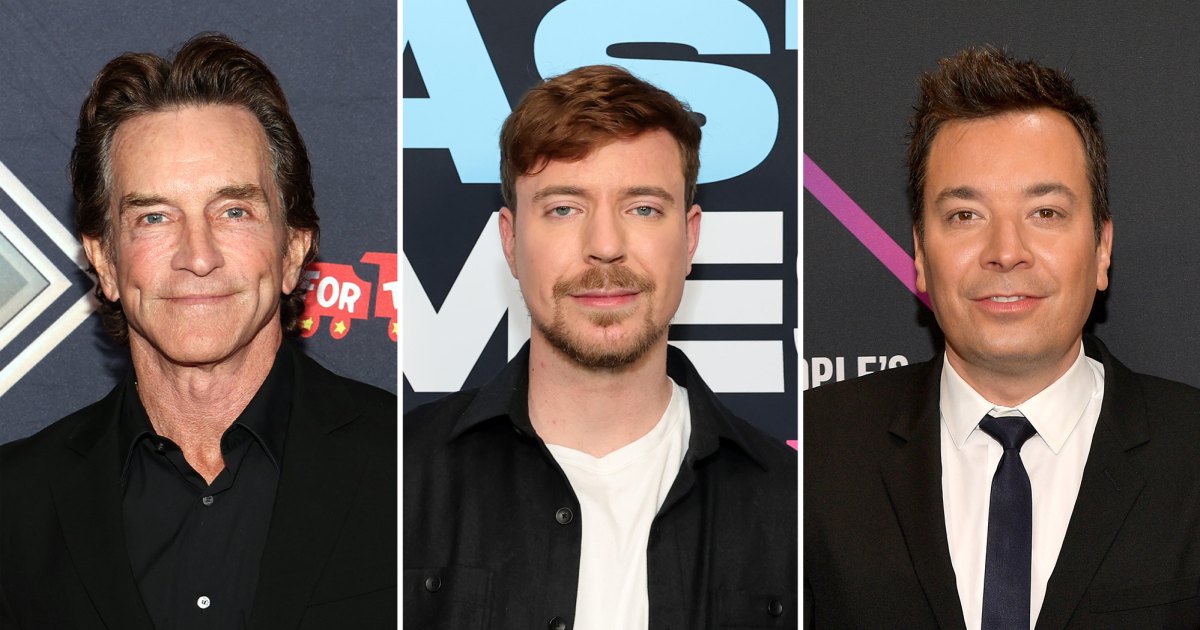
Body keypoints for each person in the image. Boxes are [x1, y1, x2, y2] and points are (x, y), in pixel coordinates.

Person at [0, 33, 396, 628]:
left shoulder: (412, 469)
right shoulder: (14, 505)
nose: (198, 256)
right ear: (105, 261)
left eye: (233, 211)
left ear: (293, 250)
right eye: (154, 217)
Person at [805, 45, 1200, 629]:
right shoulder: (813, 456)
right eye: (966, 215)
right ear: (920, 254)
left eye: (1045, 213)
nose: (1006, 252)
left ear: (1102, 249)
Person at [404, 65, 796, 629]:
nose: (605, 246)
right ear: (510, 242)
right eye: (564, 208)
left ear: (689, 238)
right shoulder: (401, 476)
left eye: (643, 208)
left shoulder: (792, 502)